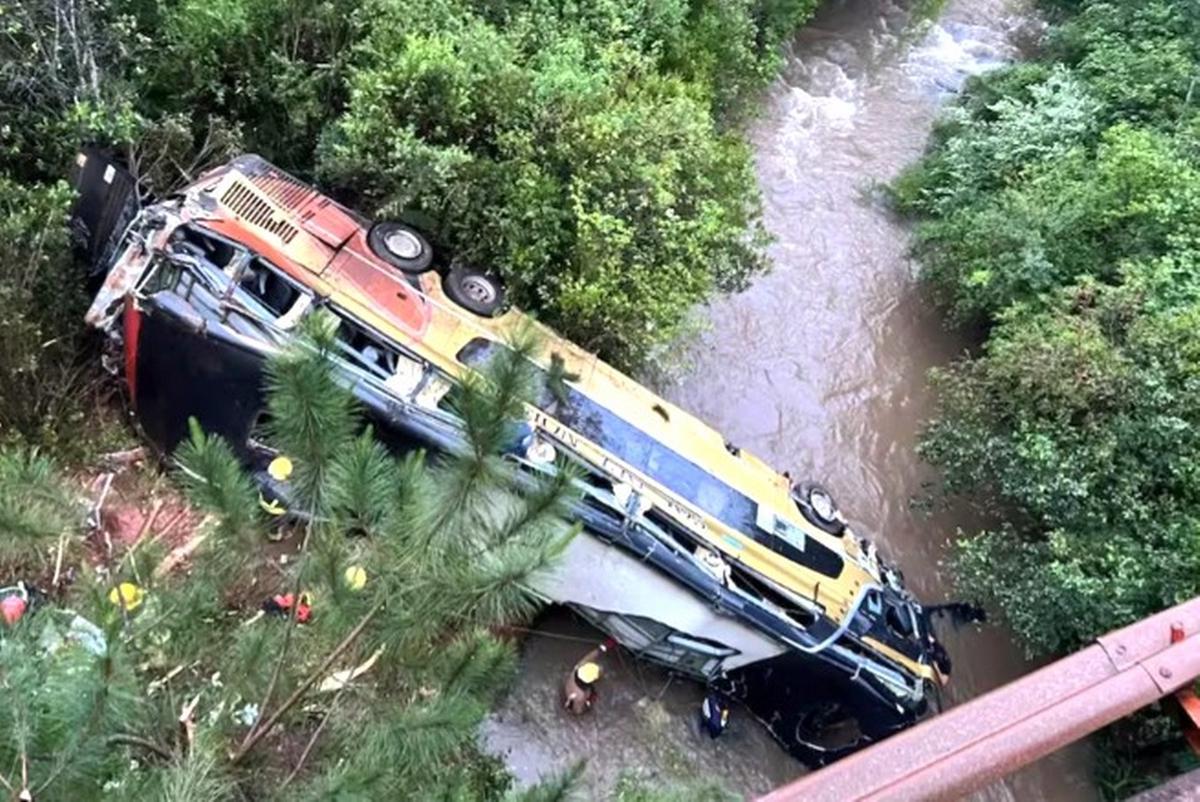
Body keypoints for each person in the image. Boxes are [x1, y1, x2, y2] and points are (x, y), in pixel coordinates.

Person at [563, 637, 616, 715]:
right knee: (590, 697)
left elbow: (591, 656)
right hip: (577, 696)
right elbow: (578, 711)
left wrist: (603, 647)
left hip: (571, 687)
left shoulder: (578, 668)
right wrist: (588, 706)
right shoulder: (581, 696)